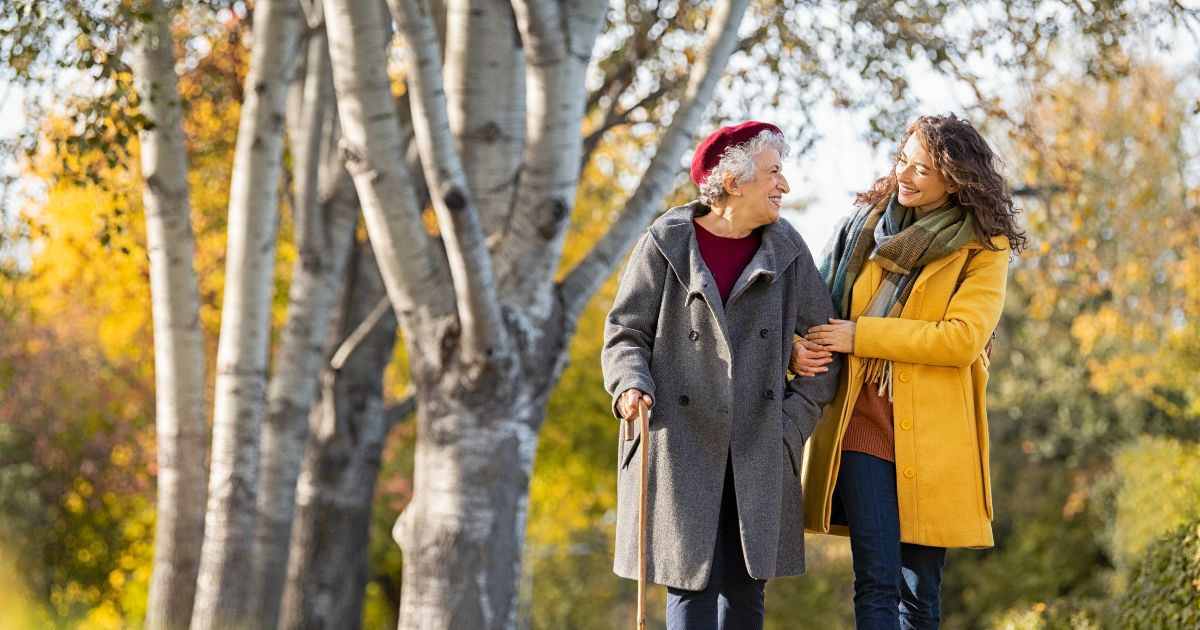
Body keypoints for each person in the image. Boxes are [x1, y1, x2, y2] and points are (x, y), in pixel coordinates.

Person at [602, 121, 842, 629]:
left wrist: (789, 425)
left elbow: (827, 345)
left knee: (746, 593)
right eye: (774, 172)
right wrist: (630, 385)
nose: (785, 185)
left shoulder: (788, 251)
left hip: (757, 445)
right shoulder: (665, 243)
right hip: (680, 444)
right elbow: (625, 332)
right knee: (690, 590)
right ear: (732, 181)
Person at [791, 113, 1027, 629]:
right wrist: (796, 348)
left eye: (922, 169)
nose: (905, 175)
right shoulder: (863, 226)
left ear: (956, 178)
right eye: (903, 160)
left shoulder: (984, 249)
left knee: (920, 592)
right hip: (859, 421)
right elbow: (810, 307)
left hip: (935, 435)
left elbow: (961, 339)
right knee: (876, 579)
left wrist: (862, 336)